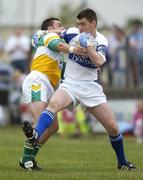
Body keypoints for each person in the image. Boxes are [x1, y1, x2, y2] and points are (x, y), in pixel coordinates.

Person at [23, 9, 136, 170]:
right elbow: (43, 36)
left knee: (113, 127)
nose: (80, 28)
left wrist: (88, 47)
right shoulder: (72, 33)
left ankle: (122, 162)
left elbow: (99, 62)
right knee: (53, 104)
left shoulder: (101, 40)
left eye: (83, 24)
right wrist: (44, 34)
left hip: (91, 87)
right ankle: (35, 134)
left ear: (93, 24)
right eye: (78, 24)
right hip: (70, 84)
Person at [19, 17, 86, 170]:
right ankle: (27, 159)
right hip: (37, 80)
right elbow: (58, 45)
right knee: (40, 122)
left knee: (54, 126)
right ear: (49, 29)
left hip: (49, 85)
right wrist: (72, 49)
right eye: (58, 25)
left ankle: (27, 158)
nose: (61, 27)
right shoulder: (50, 36)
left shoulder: (43, 36)